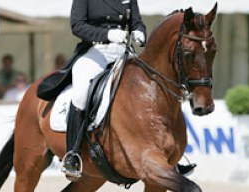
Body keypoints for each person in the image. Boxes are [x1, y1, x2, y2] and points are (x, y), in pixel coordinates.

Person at [62, 0, 196, 181]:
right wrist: (107, 34)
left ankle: (172, 156)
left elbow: (136, 21)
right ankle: (73, 154)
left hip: (124, 51)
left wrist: (140, 31)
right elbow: (77, 25)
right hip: (95, 51)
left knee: (156, 86)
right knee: (81, 95)